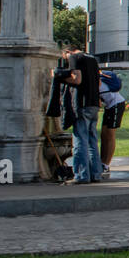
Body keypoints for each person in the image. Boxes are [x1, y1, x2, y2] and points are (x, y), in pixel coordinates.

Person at [53, 45, 102, 183]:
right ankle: (96, 174)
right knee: (92, 141)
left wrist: (59, 77)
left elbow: (77, 79)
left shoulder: (75, 57)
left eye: (65, 58)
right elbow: (98, 83)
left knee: (80, 140)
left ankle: (81, 175)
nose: (67, 61)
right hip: (94, 104)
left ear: (68, 52)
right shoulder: (92, 59)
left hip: (82, 103)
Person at [99, 70, 127, 178]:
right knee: (103, 135)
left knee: (110, 135)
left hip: (116, 105)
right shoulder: (98, 78)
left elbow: (98, 102)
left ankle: (105, 164)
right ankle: (102, 162)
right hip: (110, 106)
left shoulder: (97, 80)